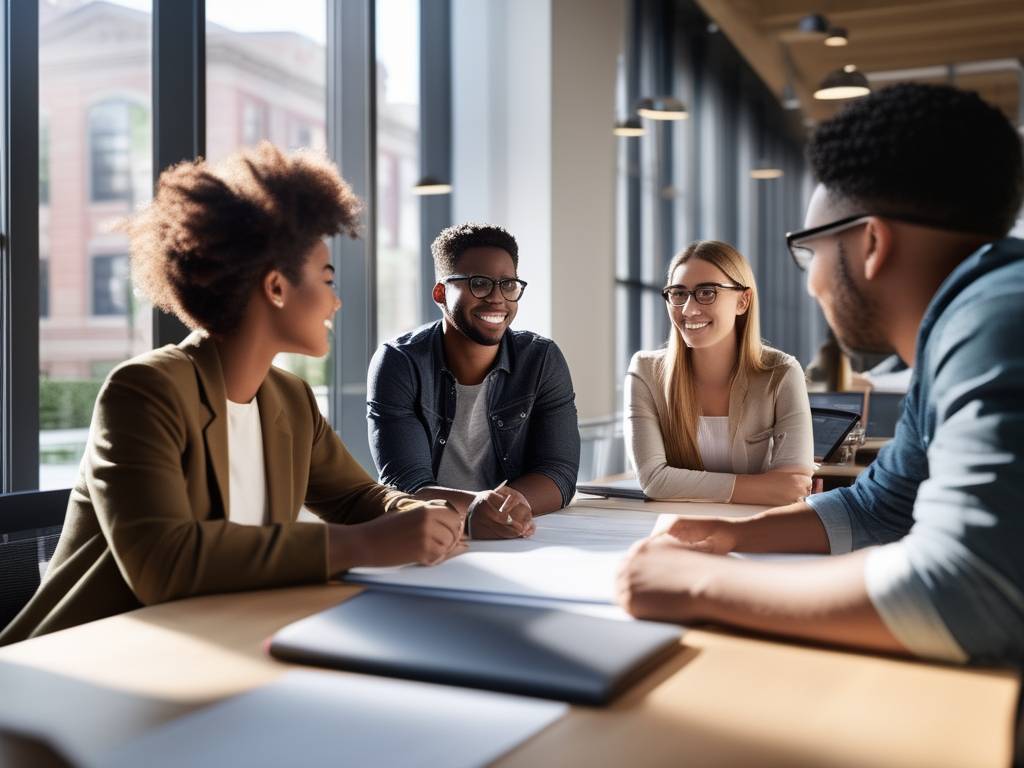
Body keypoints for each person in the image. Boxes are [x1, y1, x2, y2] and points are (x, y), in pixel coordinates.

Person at [617, 83, 1024, 669]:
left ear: (872, 243)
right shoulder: (962, 326)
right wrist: (731, 536)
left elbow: (967, 589)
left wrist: (701, 583)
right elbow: (879, 508)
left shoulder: (997, 319)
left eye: (811, 253)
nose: (811, 284)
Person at [0, 143, 464, 646]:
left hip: (224, 636)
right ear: (276, 288)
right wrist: (364, 543)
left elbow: (356, 497)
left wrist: (414, 516)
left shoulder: (290, 399)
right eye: (326, 279)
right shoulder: (145, 391)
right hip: (90, 658)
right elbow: (163, 560)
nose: (336, 299)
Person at [367, 223, 580, 539]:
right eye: (479, 284)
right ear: (441, 293)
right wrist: (476, 509)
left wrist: (505, 508)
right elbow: (406, 484)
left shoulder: (541, 359)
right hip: (432, 536)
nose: (497, 299)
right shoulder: (400, 363)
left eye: (508, 284)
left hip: (521, 533)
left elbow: (559, 473)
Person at [625, 240, 814, 505]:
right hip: (672, 525)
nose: (688, 310)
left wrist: (680, 484)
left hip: (753, 528)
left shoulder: (781, 373)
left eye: (707, 292)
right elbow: (654, 480)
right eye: (678, 294)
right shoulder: (645, 372)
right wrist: (764, 488)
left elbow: (793, 485)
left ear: (743, 301)